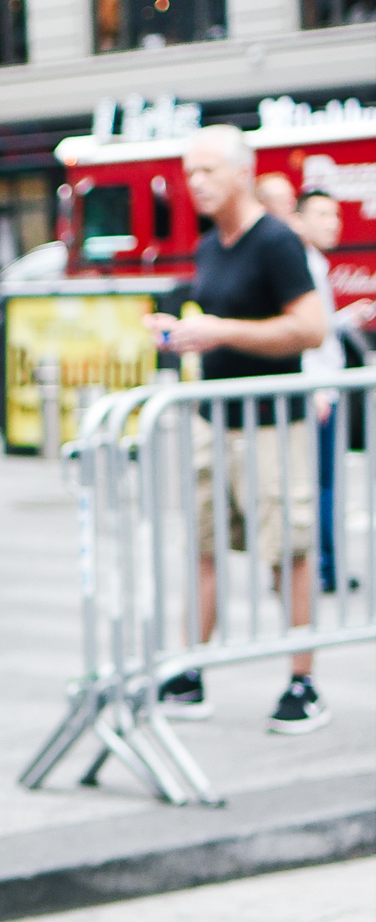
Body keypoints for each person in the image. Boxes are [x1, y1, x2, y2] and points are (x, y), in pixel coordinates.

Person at [149, 127, 327, 733]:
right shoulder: (210, 245)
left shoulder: (275, 241)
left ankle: (303, 683)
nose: (194, 183)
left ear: (242, 173)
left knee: (288, 553)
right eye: (189, 172)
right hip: (214, 419)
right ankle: (190, 671)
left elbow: (312, 328)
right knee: (203, 547)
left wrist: (221, 331)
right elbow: (220, 323)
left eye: (206, 171)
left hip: (273, 424)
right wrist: (182, 333)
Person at [292, 188, 376, 594]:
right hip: (319, 390)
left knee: (325, 482)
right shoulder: (303, 266)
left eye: (336, 215)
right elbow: (305, 335)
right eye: (322, 214)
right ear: (299, 220)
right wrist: (317, 389)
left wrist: (342, 319)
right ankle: (324, 566)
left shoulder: (315, 264)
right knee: (322, 483)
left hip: (323, 387)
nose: (333, 223)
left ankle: (323, 564)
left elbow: (320, 327)